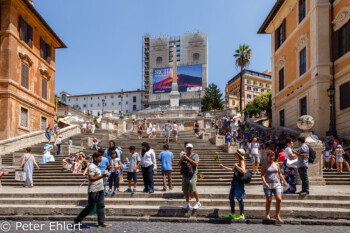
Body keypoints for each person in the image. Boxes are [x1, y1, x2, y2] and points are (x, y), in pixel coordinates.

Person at [74, 152, 112, 228]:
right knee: (90, 207)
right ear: (95, 158)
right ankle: (78, 219)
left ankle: (101, 222)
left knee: (101, 205)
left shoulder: (97, 166)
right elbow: (91, 178)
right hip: (93, 190)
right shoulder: (91, 167)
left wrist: (104, 174)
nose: (101, 159)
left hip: (100, 189)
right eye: (100, 157)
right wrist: (102, 176)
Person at [219, 149, 246, 219]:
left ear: (239, 155)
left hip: (239, 182)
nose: (234, 155)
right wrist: (223, 167)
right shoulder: (238, 162)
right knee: (231, 197)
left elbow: (243, 170)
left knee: (239, 198)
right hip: (234, 181)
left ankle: (242, 215)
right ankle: (232, 213)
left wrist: (236, 166)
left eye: (236, 154)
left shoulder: (242, 161)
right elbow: (232, 170)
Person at [261, 151, 287, 223]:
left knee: (279, 199)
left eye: (273, 156)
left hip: (277, 184)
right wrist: (265, 182)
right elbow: (262, 175)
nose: (272, 157)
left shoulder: (277, 164)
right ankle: (267, 214)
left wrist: (284, 181)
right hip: (268, 184)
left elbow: (279, 173)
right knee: (269, 200)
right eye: (270, 156)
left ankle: (277, 215)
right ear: (267, 156)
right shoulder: (264, 165)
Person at [178, 143, 201, 210]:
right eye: (187, 148)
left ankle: (198, 202)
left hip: (192, 175)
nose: (189, 149)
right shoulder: (183, 155)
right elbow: (179, 165)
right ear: (185, 148)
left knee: (193, 190)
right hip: (185, 175)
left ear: (192, 149)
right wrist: (181, 159)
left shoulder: (195, 155)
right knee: (186, 190)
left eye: (190, 148)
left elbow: (196, 164)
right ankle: (187, 203)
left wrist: (188, 159)